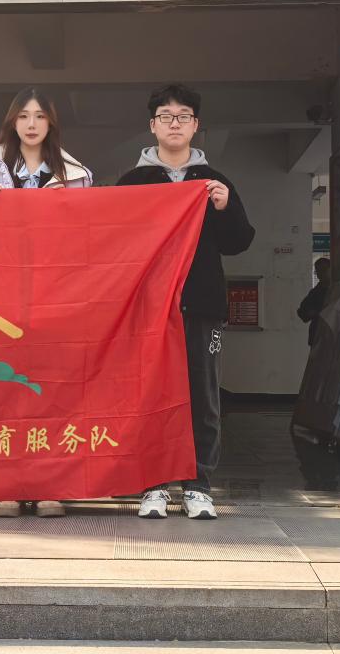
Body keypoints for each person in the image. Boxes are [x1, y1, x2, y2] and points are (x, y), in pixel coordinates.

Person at [116, 84, 255, 520]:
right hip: (149, 309)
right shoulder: (132, 183)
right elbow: (114, 243)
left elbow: (239, 242)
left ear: (195, 125)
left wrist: (226, 208)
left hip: (202, 304)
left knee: (202, 395)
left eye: (183, 116)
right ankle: (153, 484)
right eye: (166, 116)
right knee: (150, 394)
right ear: (152, 125)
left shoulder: (214, 182)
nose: (174, 124)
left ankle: (198, 484)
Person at [0, 87, 92, 518]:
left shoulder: (76, 174)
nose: (32, 123)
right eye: (24, 116)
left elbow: (88, 237)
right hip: (0, 292)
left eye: (40, 115)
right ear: (12, 121)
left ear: (51, 122)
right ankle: (5, 484)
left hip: (55, 294)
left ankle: (50, 484)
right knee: (2, 390)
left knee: (51, 390)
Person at [297, 257, 332, 347]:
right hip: (318, 337)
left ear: (331, 270)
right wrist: (314, 313)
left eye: (324, 270)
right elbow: (302, 312)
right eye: (318, 271)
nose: (320, 274)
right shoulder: (315, 292)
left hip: (335, 337)